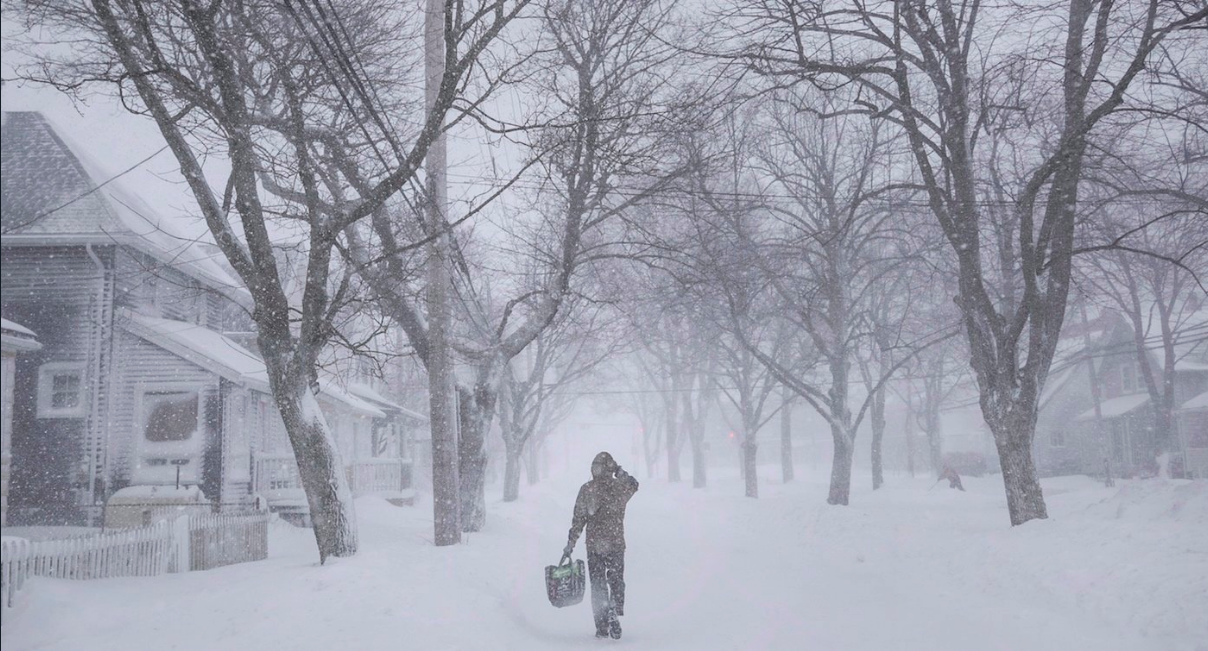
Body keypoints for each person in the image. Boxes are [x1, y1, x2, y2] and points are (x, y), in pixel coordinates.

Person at [563, 451, 639, 640]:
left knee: (597, 585)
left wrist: (570, 544)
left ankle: (601, 626)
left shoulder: (587, 489)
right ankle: (613, 607)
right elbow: (634, 484)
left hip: (594, 545)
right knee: (616, 581)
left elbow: (578, 519)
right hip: (615, 544)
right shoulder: (619, 488)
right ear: (609, 469)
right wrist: (619, 471)